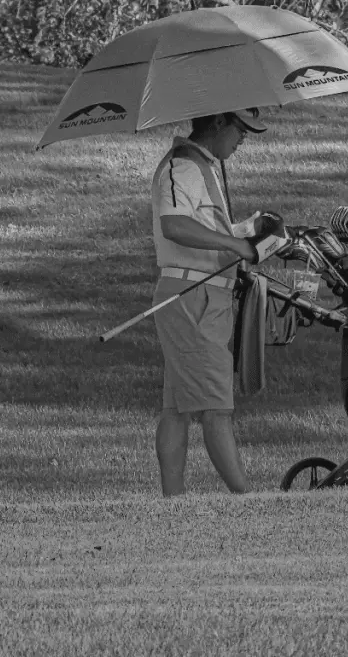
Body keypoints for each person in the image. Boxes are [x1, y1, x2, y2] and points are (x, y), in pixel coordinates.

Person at [149, 107, 274, 496]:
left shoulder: (202, 167)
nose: (243, 140)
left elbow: (202, 229)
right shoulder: (182, 166)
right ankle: (245, 498)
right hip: (192, 297)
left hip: (204, 294)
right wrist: (233, 242)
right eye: (240, 130)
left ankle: (173, 502)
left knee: (177, 409)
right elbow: (175, 225)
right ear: (218, 123)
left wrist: (245, 231)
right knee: (216, 408)